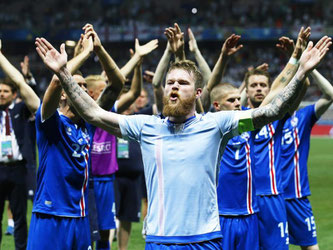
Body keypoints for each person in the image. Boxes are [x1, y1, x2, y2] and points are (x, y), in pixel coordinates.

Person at [35, 35, 331, 249]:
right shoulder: (146, 127)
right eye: (170, 82)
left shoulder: (219, 124)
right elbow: (93, 113)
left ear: (199, 93)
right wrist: (62, 73)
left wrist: (301, 70)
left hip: (205, 240)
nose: (173, 86)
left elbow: (272, 110)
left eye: (182, 82)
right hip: (160, 241)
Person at [27, 26, 125, 249]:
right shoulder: (51, 123)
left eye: (85, 87)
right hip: (49, 214)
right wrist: (84, 54)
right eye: (77, 85)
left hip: (80, 215)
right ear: (64, 92)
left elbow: (117, 84)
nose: (83, 91)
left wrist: (98, 50)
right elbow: (55, 81)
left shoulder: (88, 124)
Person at [276, 35, 333, 250]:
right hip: (273, 196)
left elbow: (330, 95)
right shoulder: (266, 117)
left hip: (297, 196)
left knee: (311, 247)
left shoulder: (303, 117)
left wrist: (307, 67)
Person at [0, 39, 40, 250]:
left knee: (19, 216)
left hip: (18, 169)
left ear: (14, 94)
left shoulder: (20, 111)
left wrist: (28, 79)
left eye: (5, 91)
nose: (1, 94)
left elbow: (33, 99)